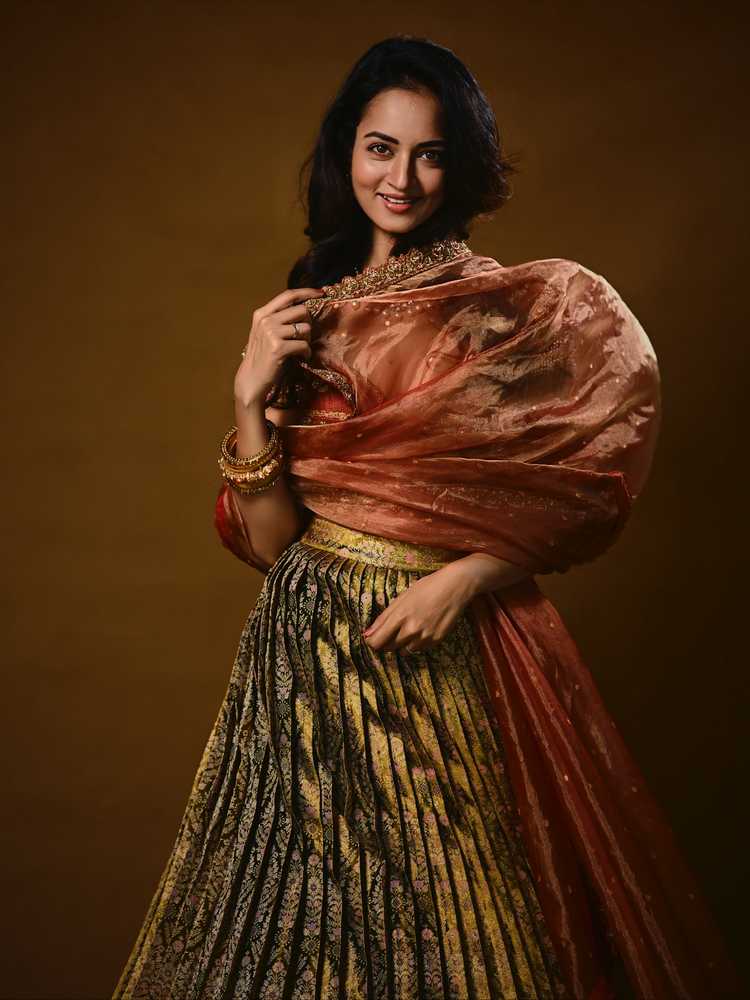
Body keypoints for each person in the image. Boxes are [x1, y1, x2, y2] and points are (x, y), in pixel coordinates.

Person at [113, 35, 741, 1000]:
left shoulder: (495, 309)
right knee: (305, 934)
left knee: (460, 931)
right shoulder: (304, 310)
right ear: (346, 152)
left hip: (432, 645)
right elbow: (274, 545)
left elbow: (584, 479)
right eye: (380, 148)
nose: (400, 179)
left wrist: (465, 579)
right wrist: (248, 395)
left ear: (461, 165)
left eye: (429, 154)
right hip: (301, 657)